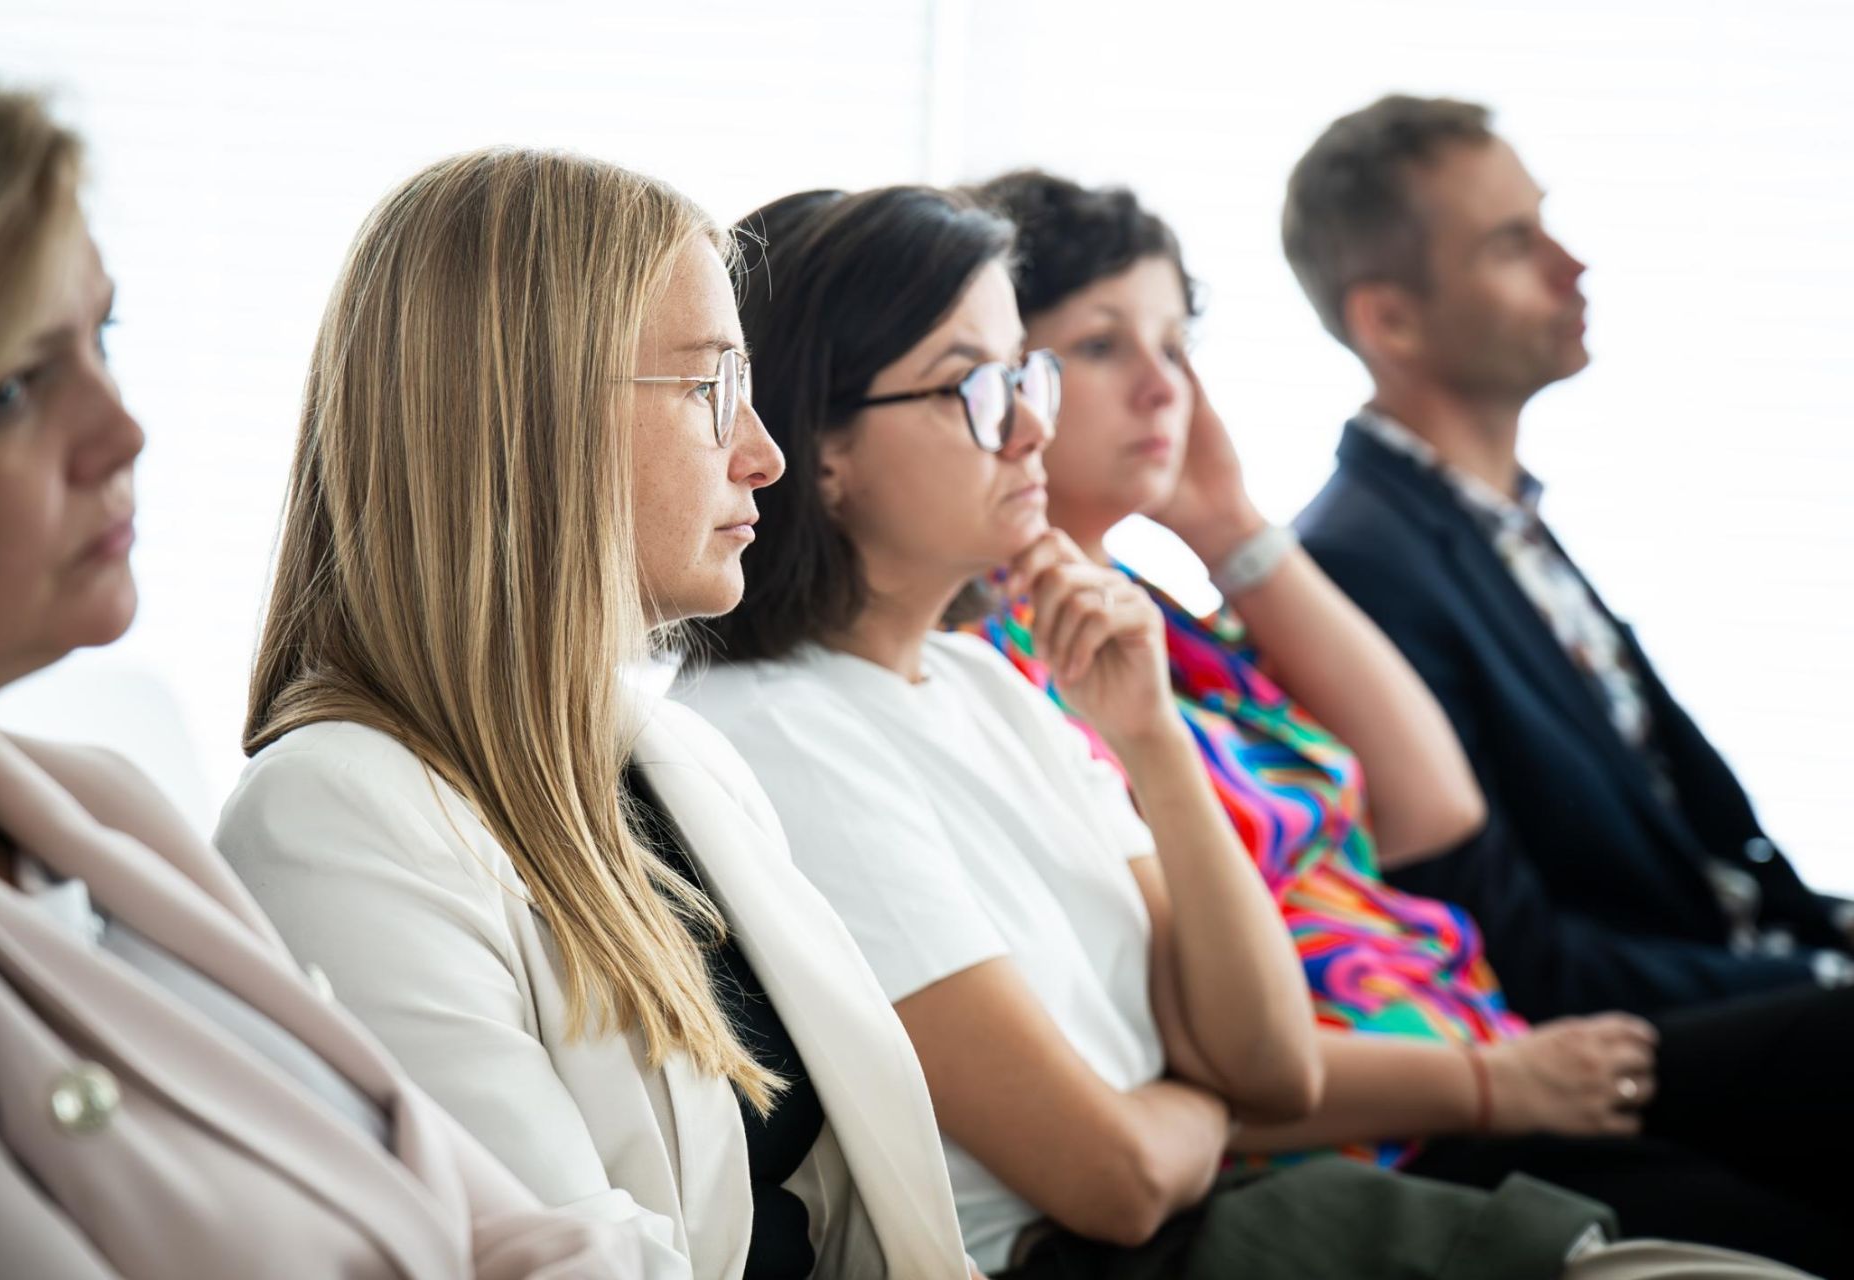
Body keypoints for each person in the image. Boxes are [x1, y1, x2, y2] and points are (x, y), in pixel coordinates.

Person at [680, 182, 1809, 1280]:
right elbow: (1118, 1175)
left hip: (1272, 1192)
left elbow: (1266, 1062)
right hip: (1144, 1240)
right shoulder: (780, 732)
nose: (1029, 425)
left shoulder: (984, 681)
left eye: (1028, 373)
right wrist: (1209, 1101)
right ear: (819, 446)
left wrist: (1155, 739)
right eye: (971, 385)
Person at [0, 62, 658, 1280]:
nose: (125, 428)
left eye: (102, 338)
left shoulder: (105, 809)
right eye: (12, 387)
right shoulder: (327, 804)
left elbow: (511, 1227)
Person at [212, 148, 972, 1280]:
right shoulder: (331, 817)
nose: (763, 454)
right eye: (711, 387)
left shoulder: (678, 762)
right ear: (526, 418)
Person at [1283, 93, 1854, 1021]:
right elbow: (1522, 958)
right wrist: (1820, 989)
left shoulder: (1503, 520)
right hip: (1651, 1063)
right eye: (1512, 246)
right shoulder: (1356, 570)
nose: (1571, 266)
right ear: (1390, 321)